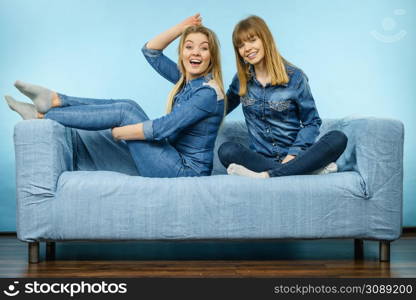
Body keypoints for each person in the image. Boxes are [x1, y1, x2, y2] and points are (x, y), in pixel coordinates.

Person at [5, 14, 226, 178]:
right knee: (128, 105)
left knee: (125, 111)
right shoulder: (186, 80)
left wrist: (120, 133)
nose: (195, 52)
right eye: (189, 47)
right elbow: (150, 51)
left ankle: (43, 114)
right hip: (171, 158)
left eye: (203, 48)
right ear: (182, 54)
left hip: (185, 172)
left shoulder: (208, 93)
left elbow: (162, 129)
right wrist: (183, 27)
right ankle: (56, 100)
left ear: (211, 57)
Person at [218, 15, 347, 178]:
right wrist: (206, 87)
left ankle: (267, 175)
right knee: (227, 151)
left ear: (265, 39)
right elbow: (218, 110)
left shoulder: (296, 77)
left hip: (298, 157)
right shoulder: (241, 80)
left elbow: (312, 122)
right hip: (260, 159)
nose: (247, 48)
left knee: (338, 138)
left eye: (252, 40)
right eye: (241, 45)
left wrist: (292, 156)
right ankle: (305, 172)